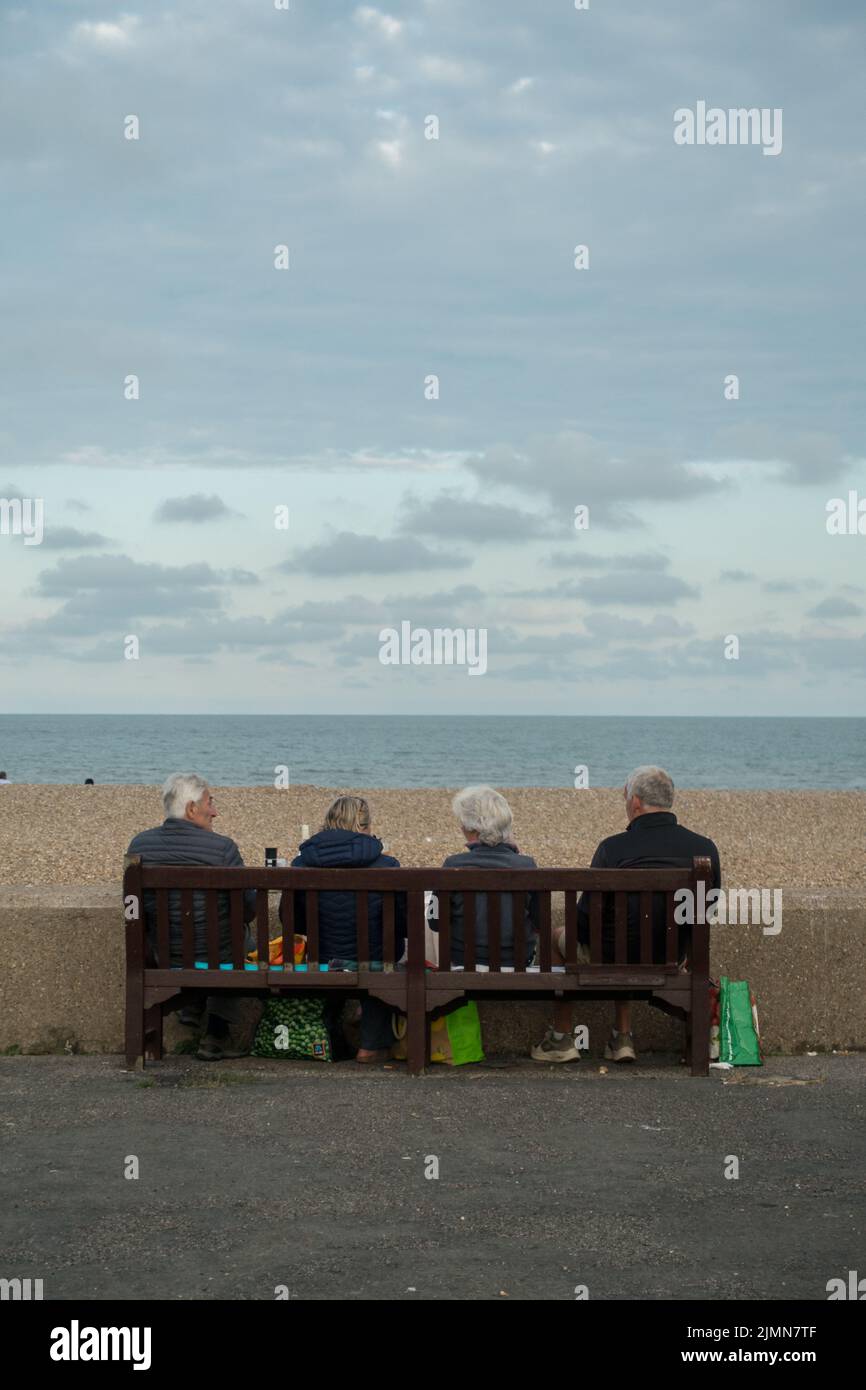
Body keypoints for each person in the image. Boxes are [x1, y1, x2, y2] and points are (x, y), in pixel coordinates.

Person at [531, 765, 721, 1065]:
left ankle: (562, 1039)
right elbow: (706, 909)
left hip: (611, 958)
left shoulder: (613, 849)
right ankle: (621, 1036)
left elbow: (584, 923)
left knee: (570, 937)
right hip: (668, 958)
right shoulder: (704, 848)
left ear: (634, 802)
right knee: (623, 939)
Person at [126, 772, 257, 1061]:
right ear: (191, 809)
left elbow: (137, 909)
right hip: (216, 958)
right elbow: (248, 908)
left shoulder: (139, 846)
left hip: (165, 957)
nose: (215, 811)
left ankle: (191, 1006)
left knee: (208, 940)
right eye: (210, 803)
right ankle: (216, 1034)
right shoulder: (223, 849)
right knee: (242, 943)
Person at [283, 796, 406, 1063]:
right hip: (375, 961)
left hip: (322, 961)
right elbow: (402, 923)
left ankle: (330, 1035)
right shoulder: (387, 866)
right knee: (383, 957)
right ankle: (371, 1044)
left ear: (328, 823)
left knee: (339, 955)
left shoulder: (302, 864)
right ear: (365, 827)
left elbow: (292, 922)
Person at [433, 786, 538, 967]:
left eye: (462, 823)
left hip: (463, 961)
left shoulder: (453, 866)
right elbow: (540, 921)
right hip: (518, 961)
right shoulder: (526, 866)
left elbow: (435, 923)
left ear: (470, 829)